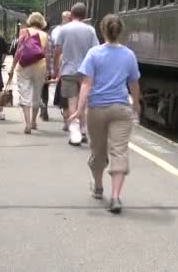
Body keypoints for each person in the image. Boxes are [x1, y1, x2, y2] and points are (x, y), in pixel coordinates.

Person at [68, 14, 141, 214]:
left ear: (102, 30)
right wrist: (136, 105)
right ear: (120, 31)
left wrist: (79, 110)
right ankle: (116, 197)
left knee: (98, 151)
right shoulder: (129, 55)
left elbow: (86, 84)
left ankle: (99, 187)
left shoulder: (94, 53)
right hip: (121, 109)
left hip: (97, 109)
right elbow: (134, 83)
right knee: (119, 151)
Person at [54, 3, 99, 146]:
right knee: (84, 102)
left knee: (72, 102)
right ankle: (84, 130)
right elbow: (96, 51)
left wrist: (56, 68)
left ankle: (75, 134)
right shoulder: (90, 30)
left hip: (68, 70)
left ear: (71, 14)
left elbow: (57, 51)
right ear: (85, 15)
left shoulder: (64, 29)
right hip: (86, 72)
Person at [8, 12, 48, 134]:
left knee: (25, 94)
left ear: (30, 21)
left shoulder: (24, 32)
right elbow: (47, 53)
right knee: (36, 94)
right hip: (40, 66)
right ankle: (34, 121)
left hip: (24, 65)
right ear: (42, 22)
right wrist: (50, 71)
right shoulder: (45, 35)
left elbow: (19, 50)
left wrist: (12, 67)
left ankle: (28, 124)